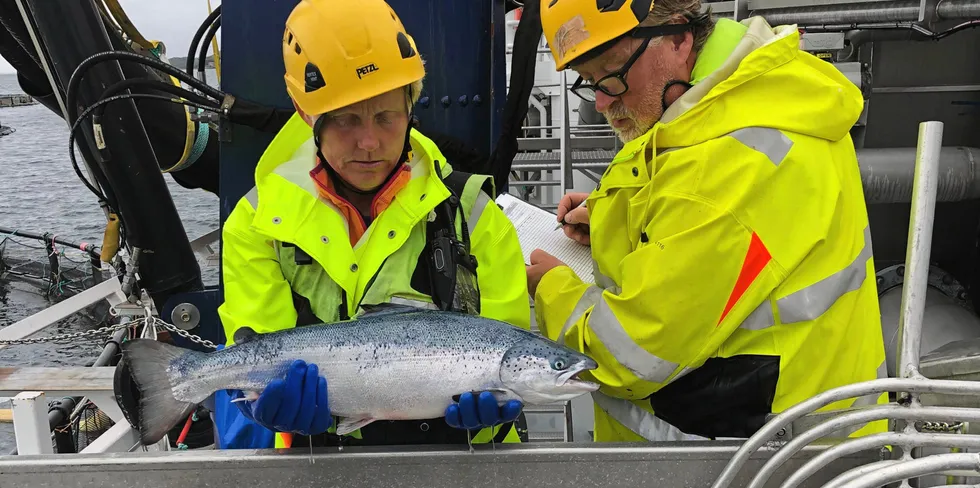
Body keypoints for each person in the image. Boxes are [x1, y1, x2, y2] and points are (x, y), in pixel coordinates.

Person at [525, 0, 887, 442]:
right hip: (801, 432)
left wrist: (553, 289)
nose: (601, 101)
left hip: (750, 459)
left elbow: (631, 354)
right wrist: (612, 218)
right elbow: (713, 228)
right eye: (588, 82)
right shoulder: (746, 100)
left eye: (613, 73)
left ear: (678, 36)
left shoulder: (725, 164)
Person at [212, 0, 531, 449]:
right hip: (315, 463)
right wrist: (263, 409)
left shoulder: (474, 213)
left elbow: (506, 353)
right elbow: (254, 353)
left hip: (461, 463)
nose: (369, 141)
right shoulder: (258, 221)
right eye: (345, 120)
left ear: (411, 107)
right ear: (309, 118)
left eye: (386, 116)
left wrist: (491, 419)